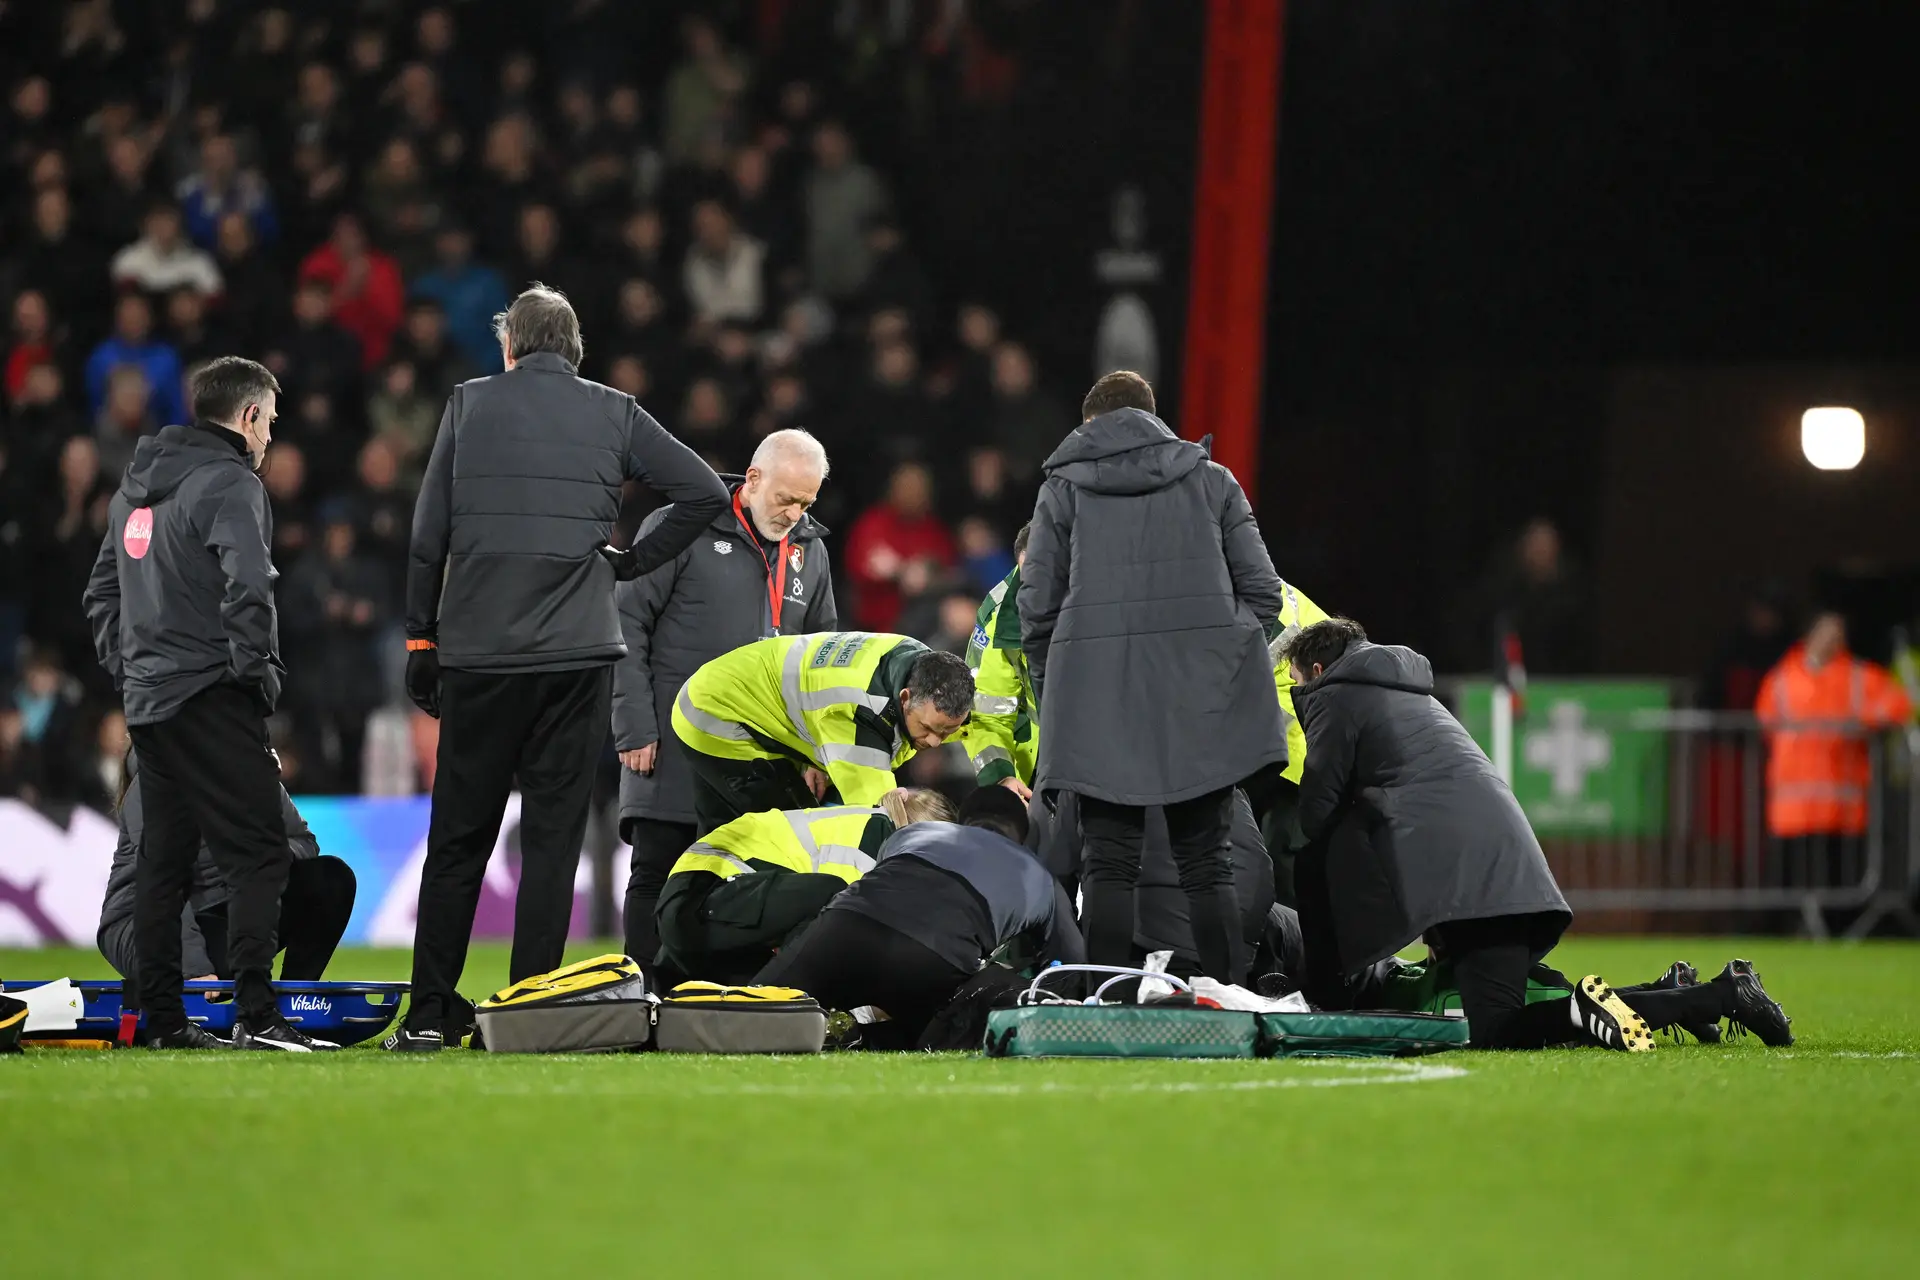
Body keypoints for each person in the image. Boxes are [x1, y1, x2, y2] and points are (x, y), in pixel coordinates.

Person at [391, 286, 727, 1052]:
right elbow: (705, 491)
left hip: (479, 657)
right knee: (551, 844)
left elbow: (425, 534)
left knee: (457, 841)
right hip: (579, 658)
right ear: (575, 351)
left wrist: (419, 639)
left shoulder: (470, 405)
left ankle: (429, 1015)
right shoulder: (615, 411)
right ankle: (526, 1014)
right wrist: (631, 561)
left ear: (510, 347)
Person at [81, 357, 331, 1051]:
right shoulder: (231, 484)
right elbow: (250, 587)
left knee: (162, 865)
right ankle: (259, 1015)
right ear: (248, 417)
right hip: (212, 696)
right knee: (259, 855)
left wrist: (134, 675)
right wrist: (255, 680)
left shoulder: (133, 493)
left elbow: (101, 594)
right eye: (270, 423)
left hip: (152, 709)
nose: (270, 439)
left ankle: (163, 1022)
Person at [1020, 370, 1286, 985]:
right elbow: (1265, 596)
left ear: (1091, 426)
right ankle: (1229, 1001)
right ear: (1153, 417)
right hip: (1199, 705)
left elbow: (1036, 607)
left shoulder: (1064, 491)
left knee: (1107, 864)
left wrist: (1057, 685)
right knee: (1208, 863)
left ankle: (1107, 1004)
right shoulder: (1213, 481)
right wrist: (1214, 660)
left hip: (1098, 702)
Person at [1284, 618, 1642, 1051]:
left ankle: (1585, 1014)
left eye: (1296, 683)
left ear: (1318, 672)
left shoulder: (1337, 696)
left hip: (1477, 885)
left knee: (1494, 1027)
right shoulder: (1409, 695)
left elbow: (1317, 809)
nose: (1296, 693)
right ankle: (1693, 995)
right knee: (1502, 1015)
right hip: (1499, 869)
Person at [613, 429, 838, 964]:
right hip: (672, 741)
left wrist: (817, 751)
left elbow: (823, 660)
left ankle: (724, 1003)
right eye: (786, 500)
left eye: (807, 503)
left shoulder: (812, 551)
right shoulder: (679, 525)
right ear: (753, 480)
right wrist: (635, 726)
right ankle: (642, 996)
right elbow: (625, 623)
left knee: (745, 880)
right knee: (657, 870)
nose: (794, 514)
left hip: (765, 759)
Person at [756, 786, 1084, 1045]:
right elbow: (1070, 966)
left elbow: (889, 892)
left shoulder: (913, 834)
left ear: (961, 822)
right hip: (931, 960)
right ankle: (864, 1039)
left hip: (843, 929)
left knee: (752, 1009)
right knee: (973, 1005)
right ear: (1021, 836)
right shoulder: (1040, 877)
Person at [98, 749, 356, 993]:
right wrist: (194, 967)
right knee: (229, 960)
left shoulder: (251, 765)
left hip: (222, 904)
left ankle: (294, 1004)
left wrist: (269, 854)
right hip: (143, 920)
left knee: (331, 880)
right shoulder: (155, 781)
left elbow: (303, 841)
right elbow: (163, 883)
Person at [671, 631, 974, 833]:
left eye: (948, 732)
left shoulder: (916, 663)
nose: (935, 742)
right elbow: (880, 824)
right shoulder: (856, 716)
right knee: (788, 837)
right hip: (718, 711)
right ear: (905, 698)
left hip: (749, 688)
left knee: (737, 834)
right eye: (928, 729)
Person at [656, 789, 952, 983]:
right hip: (706, 900)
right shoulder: (874, 838)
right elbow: (844, 929)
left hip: (699, 908)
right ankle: (782, 999)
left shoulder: (867, 825)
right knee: (835, 903)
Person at [1755, 611, 1912, 892]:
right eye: (1827, 632)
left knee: (1839, 878)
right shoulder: (1781, 679)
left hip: (1841, 805)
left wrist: (1864, 721)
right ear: (1809, 636)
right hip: (1794, 805)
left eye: (1838, 633)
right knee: (1791, 878)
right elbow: (1764, 720)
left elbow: (1897, 705)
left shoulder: (1858, 676)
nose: (1832, 639)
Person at [962, 522, 1037, 801]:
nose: (1035, 590)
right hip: (1042, 779)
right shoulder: (999, 616)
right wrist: (1002, 778)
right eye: (1028, 577)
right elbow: (986, 714)